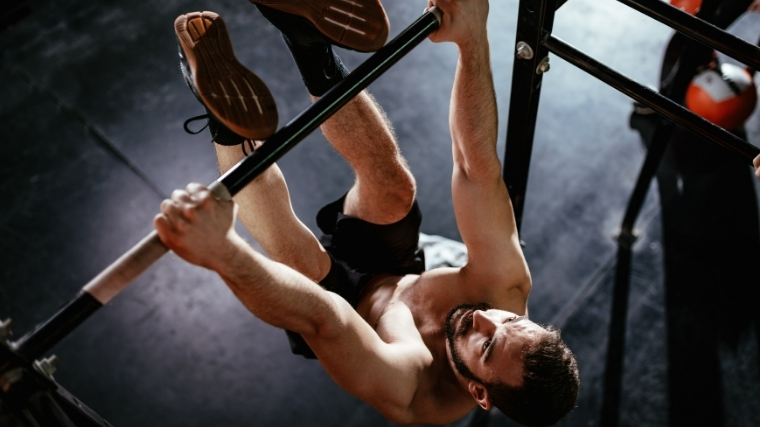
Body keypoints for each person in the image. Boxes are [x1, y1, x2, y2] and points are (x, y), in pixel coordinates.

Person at [158, 0, 579, 426]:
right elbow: (476, 170)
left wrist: (221, 251)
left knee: (304, 264)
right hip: (393, 268)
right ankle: (309, 45)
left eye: (485, 346)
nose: (483, 317)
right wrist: (471, 38)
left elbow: (327, 321)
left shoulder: (414, 393)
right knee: (394, 188)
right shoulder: (504, 289)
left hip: (342, 307)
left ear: (478, 391)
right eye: (508, 321)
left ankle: (225, 123)